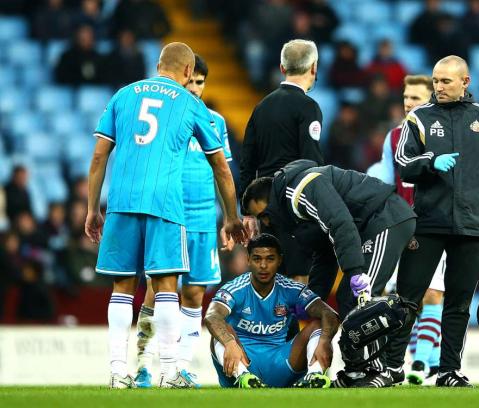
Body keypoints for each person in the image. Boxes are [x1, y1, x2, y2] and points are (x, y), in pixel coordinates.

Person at [85, 42, 245, 389]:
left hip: (122, 200)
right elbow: (220, 165)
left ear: (158, 64)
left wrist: (91, 208)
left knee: (122, 288)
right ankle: (170, 372)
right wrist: (232, 216)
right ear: (189, 72)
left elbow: (99, 157)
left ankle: (117, 373)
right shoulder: (190, 103)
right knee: (167, 288)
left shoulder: (123, 95)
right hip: (166, 204)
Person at [393, 55, 479, 387]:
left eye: (446, 81)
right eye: (435, 81)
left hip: (473, 223)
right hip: (429, 222)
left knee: (460, 302)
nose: (439, 87)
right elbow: (404, 163)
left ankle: (448, 370)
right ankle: (392, 368)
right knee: (408, 296)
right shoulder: (418, 118)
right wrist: (431, 162)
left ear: (465, 82)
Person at [242, 159, 417, 387]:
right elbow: (325, 255)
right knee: (347, 296)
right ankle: (358, 370)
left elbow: (340, 223)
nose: (265, 221)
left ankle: (376, 370)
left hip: (385, 218)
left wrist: (354, 271)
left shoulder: (303, 188)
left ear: (272, 199)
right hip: (371, 227)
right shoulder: (295, 214)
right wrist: (310, 301)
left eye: (264, 214)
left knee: (359, 299)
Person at [133, 54, 234, 388]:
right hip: (169, 217)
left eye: (200, 83)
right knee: (156, 291)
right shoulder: (166, 119)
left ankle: (182, 367)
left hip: (204, 219)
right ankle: (144, 364)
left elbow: (222, 173)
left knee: (194, 294)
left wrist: (227, 219)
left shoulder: (215, 122)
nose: (194, 89)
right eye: (190, 81)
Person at [370, 74, 445, 385]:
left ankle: (421, 363)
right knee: (400, 298)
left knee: (432, 294)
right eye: (406, 97)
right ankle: (412, 359)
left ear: (430, 99)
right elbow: (386, 183)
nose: (409, 103)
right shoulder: (394, 137)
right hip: (402, 227)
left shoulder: (443, 134)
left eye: (415, 97)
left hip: (436, 223)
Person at [204, 233, 340, 388]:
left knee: (319, 325)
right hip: (242, 361)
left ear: (279, 260)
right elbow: (212, 316)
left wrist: (324, 341)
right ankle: (244, 379)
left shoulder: (291, 289)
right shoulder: (234, 288)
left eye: (270, 259)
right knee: (221, 332)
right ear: (248, 260)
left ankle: (314, 377)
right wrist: (229, 343)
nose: (263, 265)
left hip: (281, 365)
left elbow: (329, 314)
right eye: (257, 259)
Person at [240, 39, 325, 284]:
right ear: (313, 67)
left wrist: (247, 211)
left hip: (265, 206)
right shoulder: (308, 107)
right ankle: (294, 323)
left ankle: (271, 322)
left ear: (282, 67)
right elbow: (310, 162)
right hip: (294, 203)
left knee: (270, 274)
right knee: (299, 274)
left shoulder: (261, 106)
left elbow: (247, 161)